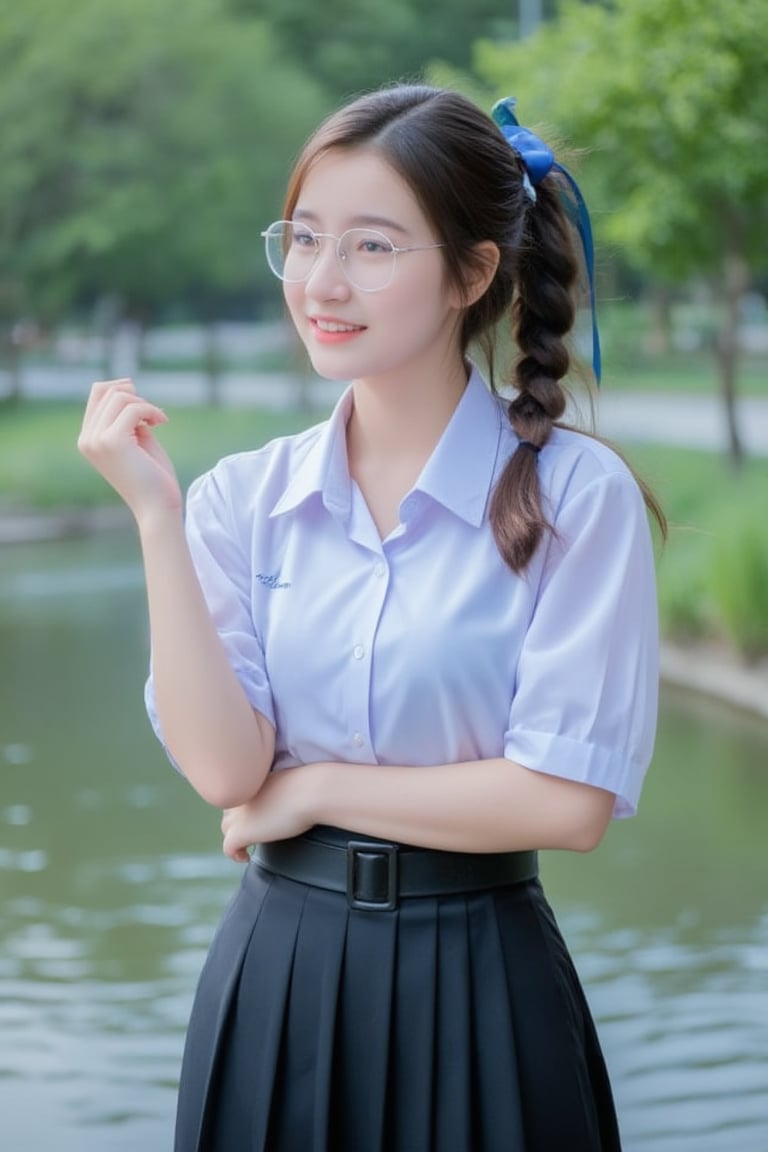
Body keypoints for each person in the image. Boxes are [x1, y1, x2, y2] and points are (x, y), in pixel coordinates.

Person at [78, 84, 664, 1152]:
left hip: (482, 978)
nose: (322, 281)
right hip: (277, 978)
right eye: (303, 240)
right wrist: (157, 517)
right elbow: (224, 774)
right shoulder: (238, 501)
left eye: (373, 246)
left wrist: (317, 787)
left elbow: (569, 800)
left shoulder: (580, 498)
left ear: (471, 274)